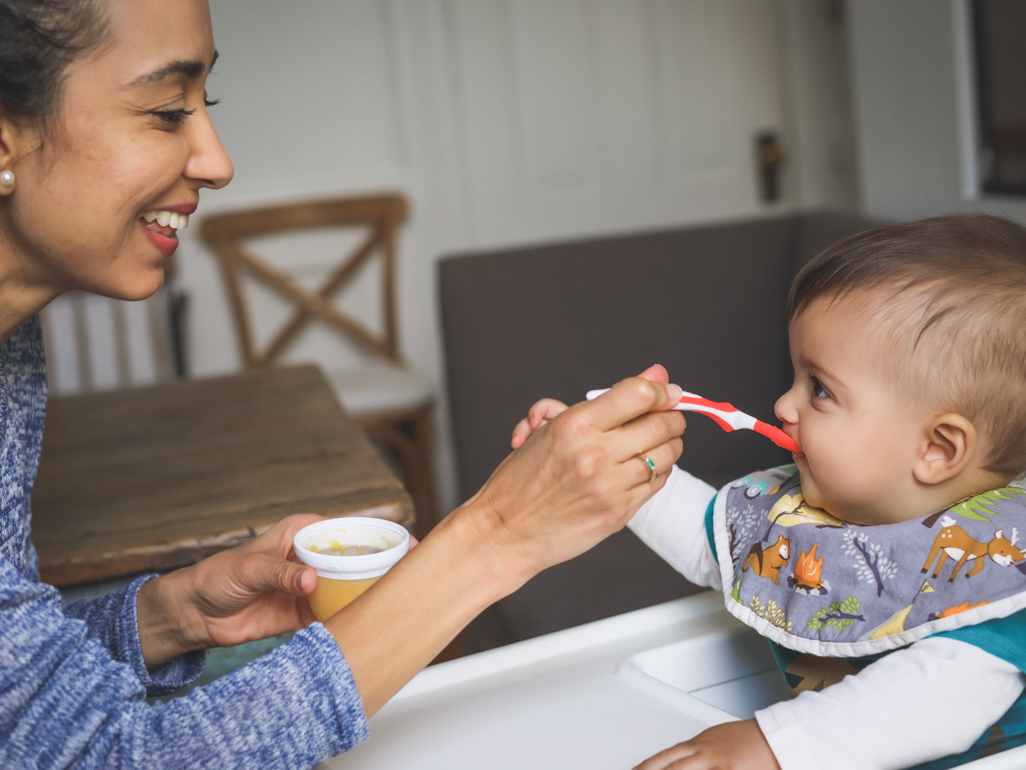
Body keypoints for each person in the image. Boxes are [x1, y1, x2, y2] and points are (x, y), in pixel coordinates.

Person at [0, 1, 689, 767]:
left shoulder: (12, 339)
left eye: (206, 105)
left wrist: (170, 615)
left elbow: (23, 705)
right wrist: (498, 534)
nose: (219, 162)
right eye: (166, 111)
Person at [512, 214, 1026, 770]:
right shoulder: (811, 507)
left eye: (820, 389)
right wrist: (614, 460)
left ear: (938, 449)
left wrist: (772, 745)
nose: (784, 405)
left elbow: (933, 699)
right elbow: (714, 540)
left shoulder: (997, 577)